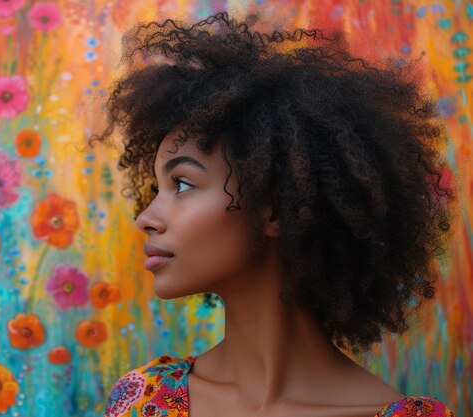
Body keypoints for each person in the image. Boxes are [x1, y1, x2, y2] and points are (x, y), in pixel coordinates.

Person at [90, 11, 459, 417]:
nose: (146, 217)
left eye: (182, 184)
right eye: (157, 188)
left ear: (275, 209)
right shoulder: (141, 400)